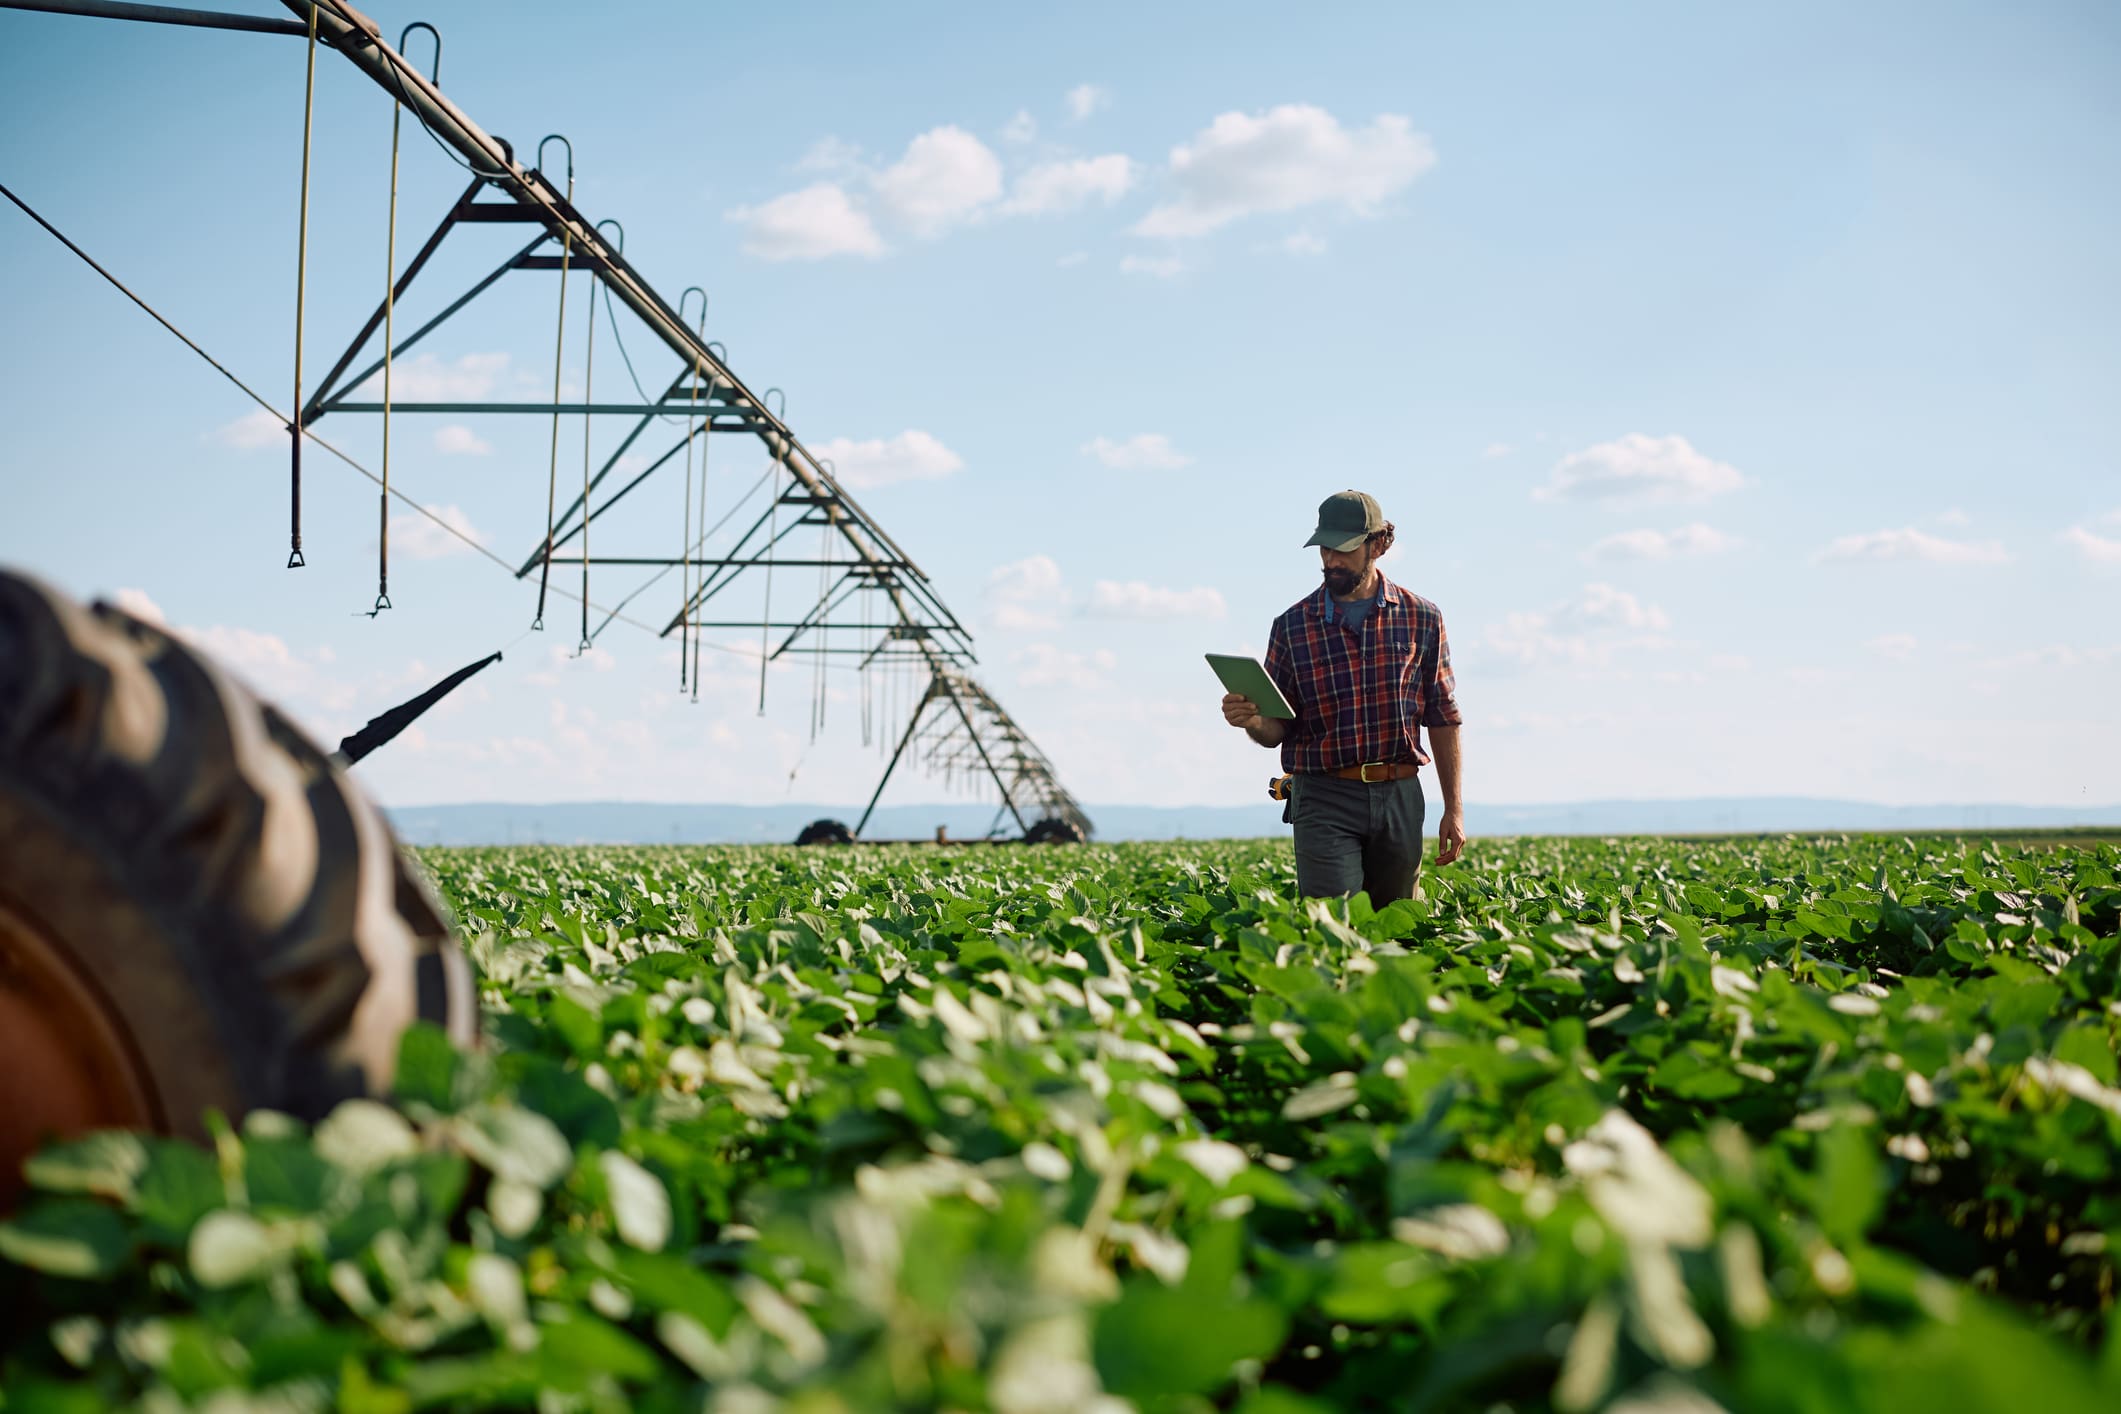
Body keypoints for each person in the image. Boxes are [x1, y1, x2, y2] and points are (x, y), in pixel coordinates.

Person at [1222, 490, 1464, 902]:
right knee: (1335, 919)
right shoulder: (1292, 626)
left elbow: (1443, 716)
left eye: (1345, 549)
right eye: (1325, 548)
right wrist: (1254, 720)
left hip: (1400, 793)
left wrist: (1454, 808)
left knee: (1399, 923)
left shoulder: (1422, 617)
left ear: (1379, 545)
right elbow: (1277, 728)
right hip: (1324, 795)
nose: (1332, 560)